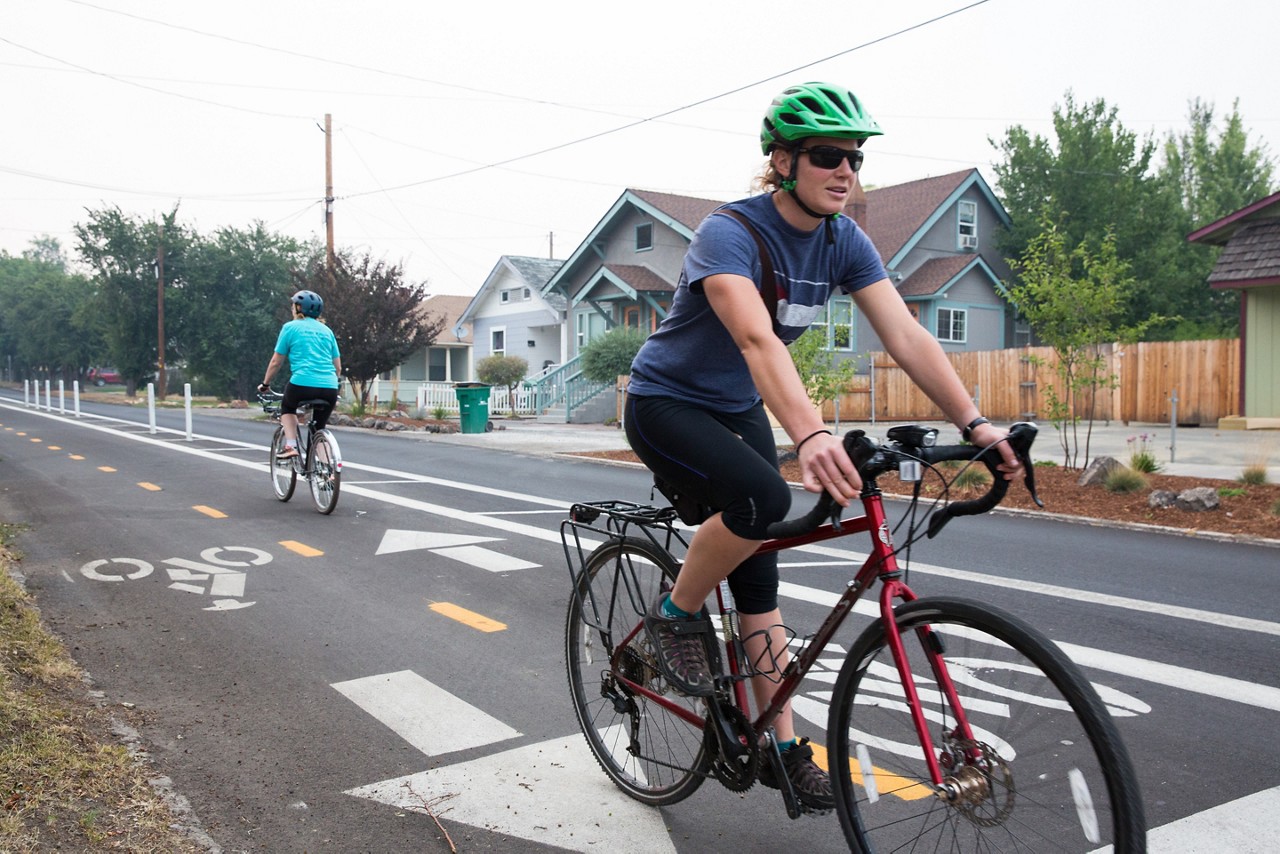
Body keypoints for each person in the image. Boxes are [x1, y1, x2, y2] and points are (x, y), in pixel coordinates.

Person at [624, 82, 1023, 812]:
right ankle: (673, 616)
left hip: (736, 407)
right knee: (765, 498)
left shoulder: (844, 240)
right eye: (827, 155)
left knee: (760, 573)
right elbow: (752, 337)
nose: (846, 170)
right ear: (782, 161)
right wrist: (809, 432)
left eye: (855, 158)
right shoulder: (731, 232)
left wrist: (976, 424)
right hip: (666, 403)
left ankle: (778, 746)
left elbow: (905, 334)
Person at [258, 290, 342, 459]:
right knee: (319, 428)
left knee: (288, 408)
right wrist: (332, 383)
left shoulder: (290, 328)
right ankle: (328, 472)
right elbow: (338, 367)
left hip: (302, 383)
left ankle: (290, 445)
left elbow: (276, 361)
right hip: (329, 387)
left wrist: (265, 384)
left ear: (298, 308)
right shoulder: (327, 331)